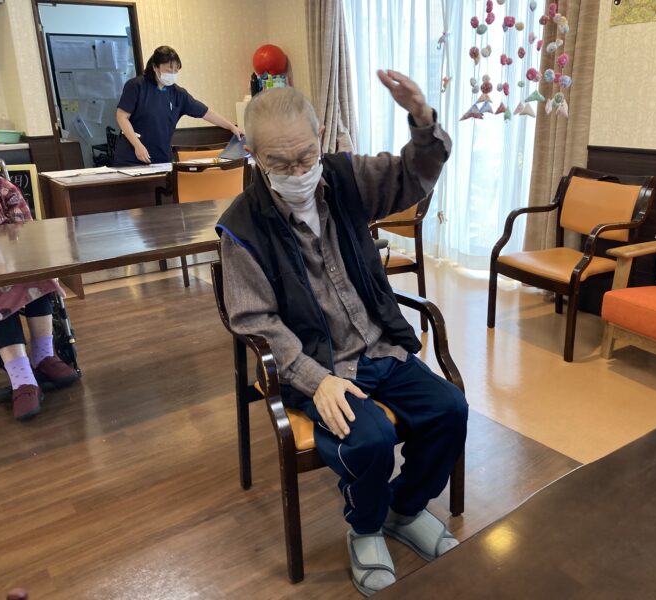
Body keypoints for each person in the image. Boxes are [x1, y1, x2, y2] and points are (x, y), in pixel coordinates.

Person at [216, 73, 468, 596]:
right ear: (253, 155)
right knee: (370, 439)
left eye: (306, 157)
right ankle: (366, 528)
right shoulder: (242, 225)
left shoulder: (347, 177)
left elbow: (414, 174)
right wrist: (316, 380)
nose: (298, 172)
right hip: (318, 364)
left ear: (321, 136)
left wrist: (422, 119)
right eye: (280, 163)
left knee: (450, 409)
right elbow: (255, 321)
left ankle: (403, 510)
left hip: (379, 346)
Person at [0, 117, 79, 421]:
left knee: (36, 274)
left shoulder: (2, 187)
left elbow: (27, 234)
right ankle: (22, 378)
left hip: (11, 267)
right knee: (2, 289)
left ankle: (44, 355)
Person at [113, 45, 244, 167]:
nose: (172, 73)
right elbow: (122, 117)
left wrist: (231, 127)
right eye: (168, 68)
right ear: (155, 67)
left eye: (176, 70)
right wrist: (137, 145)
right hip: (131, 157)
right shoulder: (136, 86)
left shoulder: (178, 94)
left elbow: (206, 112)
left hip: (161, 158)